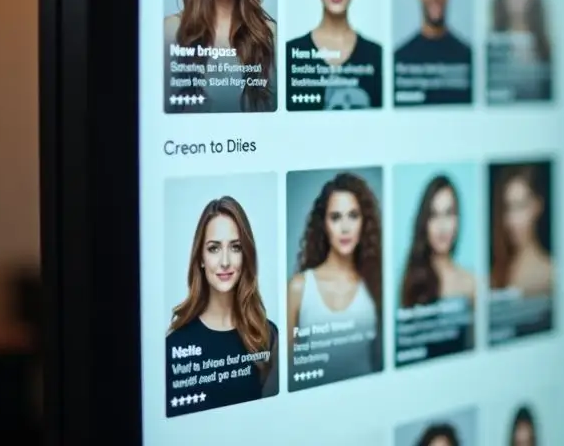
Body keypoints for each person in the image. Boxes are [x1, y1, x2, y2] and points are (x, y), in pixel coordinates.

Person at [166, 197, 279, 403]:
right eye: (214, 248)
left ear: (246, 255)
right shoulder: (175, 346)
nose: (225, 262)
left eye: (235, 247)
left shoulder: (267, 336)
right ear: (200, 258)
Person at [287, 173, 384, 379]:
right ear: (324, 224)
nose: (345, 228)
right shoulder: (299, 287)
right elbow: (283, 370)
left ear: (364, 222)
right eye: (336, 217)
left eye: (353, 216)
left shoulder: (375, 284)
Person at [399, 175, 477, 308]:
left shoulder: (471, 283)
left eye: (448, 213)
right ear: (425, 222)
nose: (442, 226)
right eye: (434, 215)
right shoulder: (413, 280)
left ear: (457, 219)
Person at [490, 166, 553, 297]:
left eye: (520, 206)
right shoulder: (496, 271)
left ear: (537, 206)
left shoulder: (551, 274)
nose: (511, 220)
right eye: (507, 208)